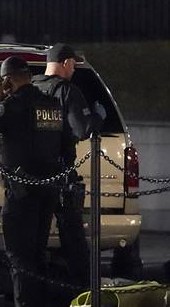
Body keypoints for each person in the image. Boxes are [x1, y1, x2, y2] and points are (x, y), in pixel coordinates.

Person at [0, 56, 64, 307]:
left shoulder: (10, 106)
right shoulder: (52, 105)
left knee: (19, 257)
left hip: (21, 193)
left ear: (7, 81)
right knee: (38, 254)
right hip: (48, 189)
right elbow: (67, 144)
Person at [31, 43, 106, 290]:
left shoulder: (31, 88)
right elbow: (82, 129)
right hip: (61, 174)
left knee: (36, 238)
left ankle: (35, 288)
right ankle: (83, 289)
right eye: (73, 64)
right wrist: (97, 117)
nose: (74, 68)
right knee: (73, 236)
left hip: (30, 176)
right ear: (65, 63)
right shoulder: (67, 92)